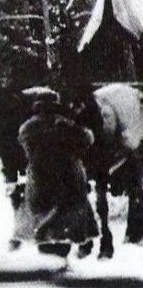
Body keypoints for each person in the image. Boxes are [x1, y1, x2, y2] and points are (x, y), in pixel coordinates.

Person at [13, 89, 98, 261]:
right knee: (68, 215)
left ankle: (48, 256)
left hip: (39, 178)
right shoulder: (64, 124)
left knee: (41, 217)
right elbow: (87, 139)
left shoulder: (27, 128)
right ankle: (68, 252)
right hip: (67, 178)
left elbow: (22, 149)